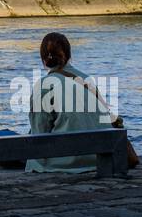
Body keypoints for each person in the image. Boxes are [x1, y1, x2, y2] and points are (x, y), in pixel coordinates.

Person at [25, 31, 118, 173]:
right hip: (99, 158)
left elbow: (39, 134)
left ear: (43, 59)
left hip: (65, 162)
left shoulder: (44, 85)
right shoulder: (87, 80)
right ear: (69, 56)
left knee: (3, 139)